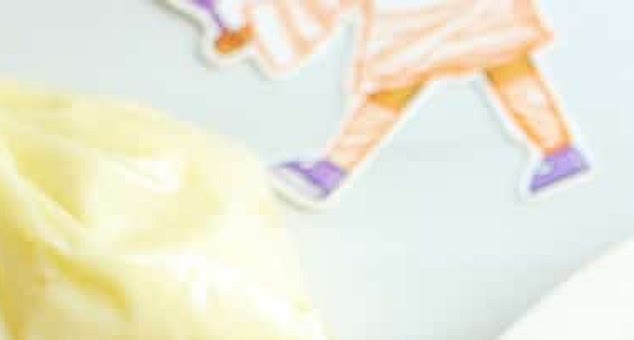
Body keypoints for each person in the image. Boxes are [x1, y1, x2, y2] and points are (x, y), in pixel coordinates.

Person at [175, 0, 589, 204]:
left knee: (396, 85)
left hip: (412, 16)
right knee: (507, 65)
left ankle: (332, 169)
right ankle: (559, 148)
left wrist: (251, 27)